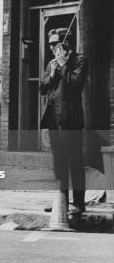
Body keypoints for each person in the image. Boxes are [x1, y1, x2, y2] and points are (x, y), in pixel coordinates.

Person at [40, 28, 87, 214]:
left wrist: (63, 64)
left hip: (71, 120)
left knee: (74, 161)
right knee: (58, 162)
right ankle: (61, 201)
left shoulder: (80, 60)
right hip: (53, 119)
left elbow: (76, 84)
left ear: (66, 43)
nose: (51, 47)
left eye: (55, 43)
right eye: (50, 43)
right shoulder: (51, 63)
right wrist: (51, 74)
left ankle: (79, 203)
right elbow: (43, 88)